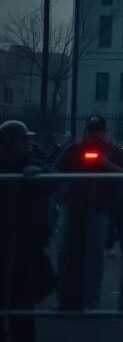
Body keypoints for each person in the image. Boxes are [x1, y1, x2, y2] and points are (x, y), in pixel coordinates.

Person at [52, 115, 123, 310]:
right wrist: (64, 186)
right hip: (73, 205)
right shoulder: (74, 150)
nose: (93, 133)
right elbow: (55, 170)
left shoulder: (112, 152)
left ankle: (91, 299)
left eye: (97, 130)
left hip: (99, 207)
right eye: (91, 129)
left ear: (103, 132)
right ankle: (64, 298)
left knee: (94, 254)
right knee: (65, 251)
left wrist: (106, 164)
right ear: (86, 130)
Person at [0, 120, 52, 342]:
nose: (29, 144)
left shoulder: (29, 165)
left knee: (21, 303)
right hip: (10, 242)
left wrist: (39, 172)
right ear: (10, 144)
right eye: (24, 140)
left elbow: (52, 177)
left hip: (23, 244)